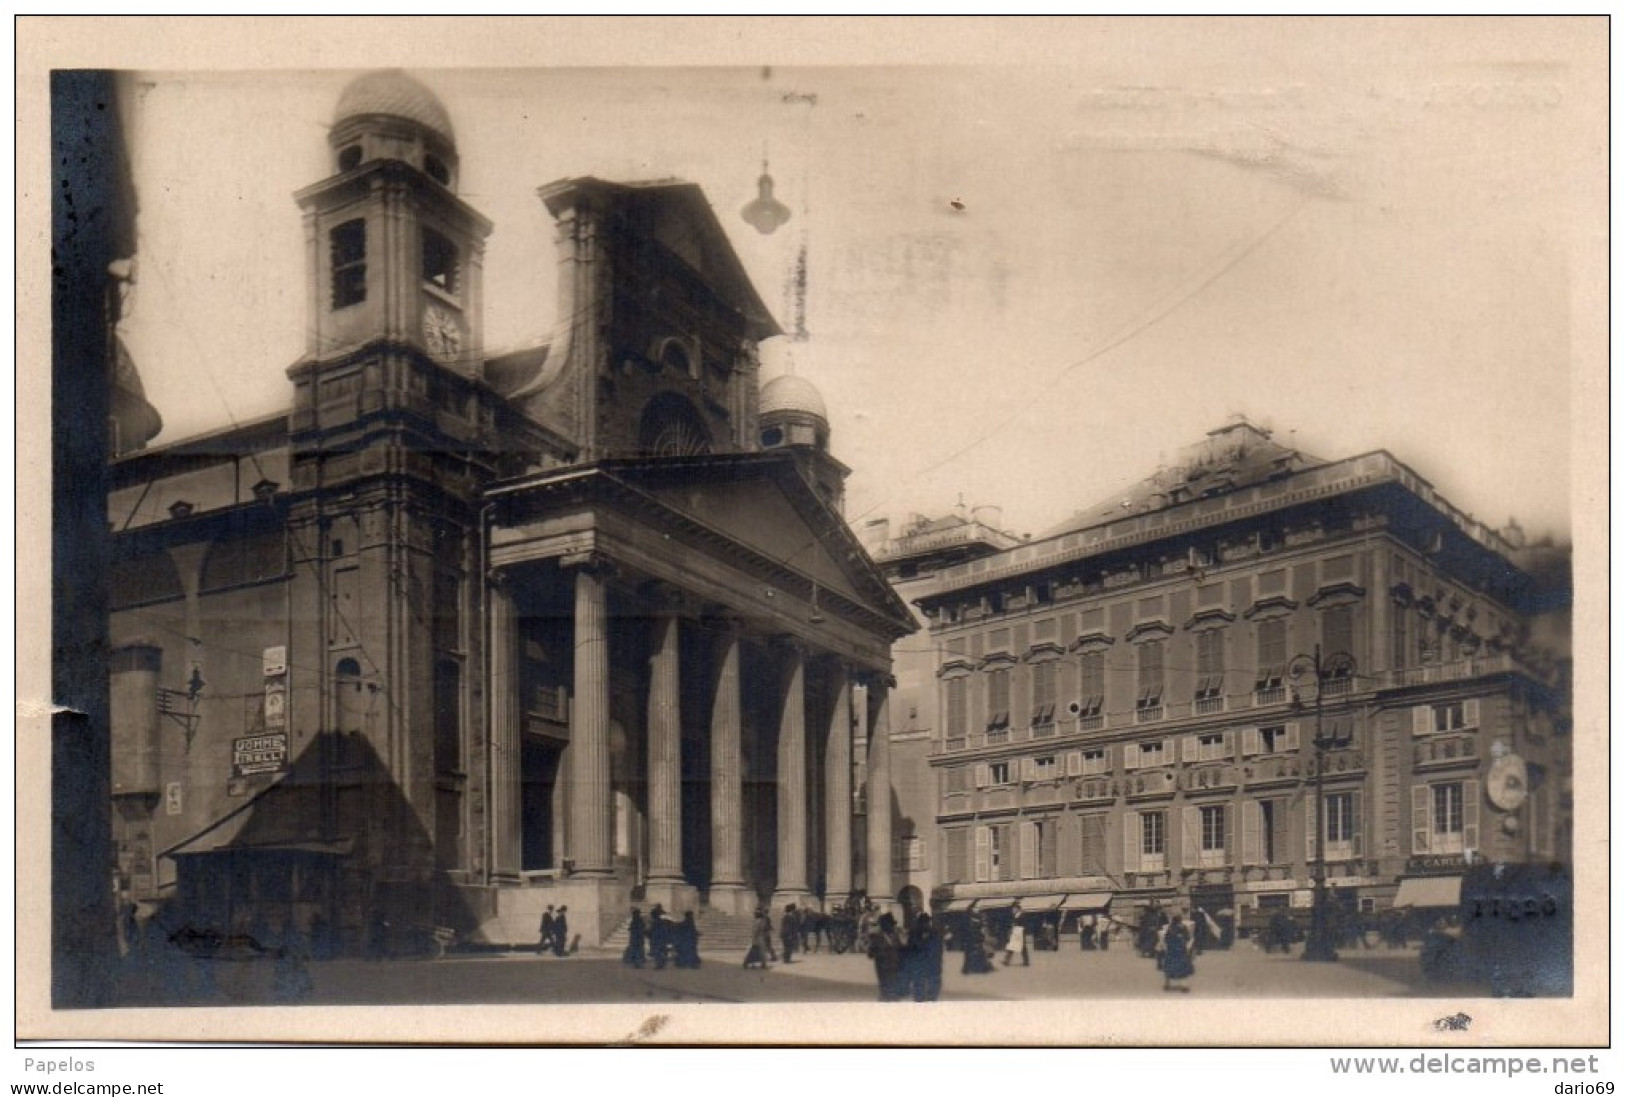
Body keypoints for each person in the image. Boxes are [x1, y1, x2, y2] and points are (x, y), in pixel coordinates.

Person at [905, 912, 944, 1002]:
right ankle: (920, 1000)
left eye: (926, 922)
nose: (925, 924)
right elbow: (910, 950)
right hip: (919, 965)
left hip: (931, 964)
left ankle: (930, 999)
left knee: (933, 987)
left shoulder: (935, 934)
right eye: (923, 922)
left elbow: (938, 950)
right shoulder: (914, 934)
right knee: (918, 987)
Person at [868, 912, 904, 1001]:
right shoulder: (876, 938)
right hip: (882, 967)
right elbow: (870, 954)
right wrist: (879, 953)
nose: (893, 927)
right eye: (891, 925)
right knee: (885, 987)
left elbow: (901, 948)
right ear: (885, 926)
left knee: (895, 986)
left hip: (895, 966)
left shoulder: (895, 936)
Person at [1161, 914, 1195, 992]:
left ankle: (1167, 984)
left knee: (1169, 967)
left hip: (1172, 950)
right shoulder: (1183, 927)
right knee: (1182, 968)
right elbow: (1188, 938)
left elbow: (1166, 939)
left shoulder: (1170, 928)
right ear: (1180, 920)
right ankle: (1184, 985)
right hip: (1181, 950)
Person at [648, 904, 670, 969]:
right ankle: (661, 963)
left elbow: (650, 930)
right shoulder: (663, 920)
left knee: (657, 951)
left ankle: (659, 964)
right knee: (661, 950)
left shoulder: (655, 922)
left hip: (657, 937)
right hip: (662, 937)